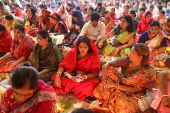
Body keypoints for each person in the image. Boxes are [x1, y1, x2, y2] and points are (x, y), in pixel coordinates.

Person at [93, 43, 156, 113]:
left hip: (132, 95)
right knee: (110, 69)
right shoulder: (127, 60)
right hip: (117, 85)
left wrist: (115, 85)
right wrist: (106, 86)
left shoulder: (147, 72)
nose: (129, 54)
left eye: (132, 53)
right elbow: (105, 65)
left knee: (125, 107)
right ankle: (110, 100)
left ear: (140, 57)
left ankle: (109, 101)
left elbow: (134, 90)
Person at [51, 36, 101, 101]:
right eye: (80, 47)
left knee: (94, 84)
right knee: (55, 77)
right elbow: (63, 65)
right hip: (72, 76)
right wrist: (58, 74)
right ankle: (76, 90)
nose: (82, 49)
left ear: (89, 47)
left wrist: (85, 77)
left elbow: (96, 74)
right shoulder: (72, 53)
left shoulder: (93, 56)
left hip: (86, 78)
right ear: (78, 46)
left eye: (85, 47)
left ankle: (71, 89)